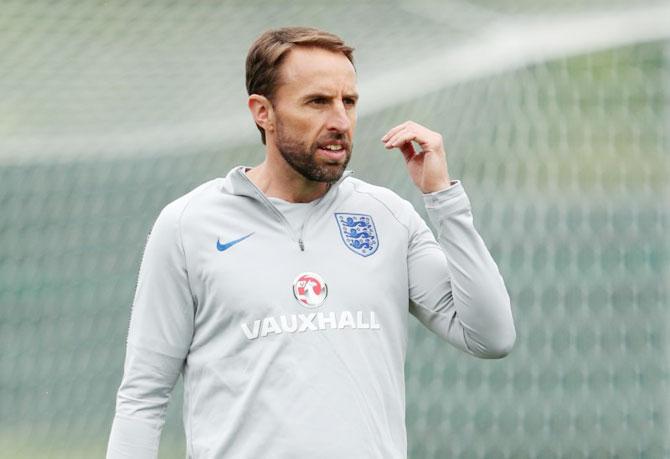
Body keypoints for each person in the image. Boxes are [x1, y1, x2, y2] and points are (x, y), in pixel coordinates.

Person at [106, 27, 516, 459]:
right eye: (318, 102)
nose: (340, 120)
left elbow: (491, 336)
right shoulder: (187, 225)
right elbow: (142, 397)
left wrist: (443, 199)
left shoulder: (388, 217)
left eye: (349, 101)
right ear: (263, 112)